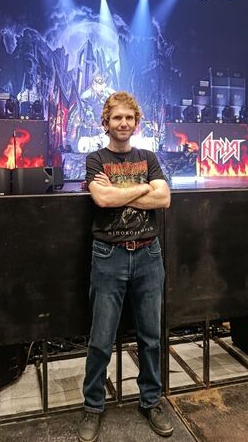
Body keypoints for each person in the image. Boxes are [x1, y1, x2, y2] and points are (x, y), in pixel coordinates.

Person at [78, 91, 173, 442]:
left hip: (149, 255)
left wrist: (122, 191)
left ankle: (151, 402)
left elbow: (164, 198)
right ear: (106, 122)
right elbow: (102, 199)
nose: (123, 123)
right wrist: (143, 188)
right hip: (109, 256)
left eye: (129, 118)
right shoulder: (95, 159)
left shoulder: (148, 157)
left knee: (151, 338)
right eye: (117, 117)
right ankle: (93, 407)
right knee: (101, 339)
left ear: (136, 123)